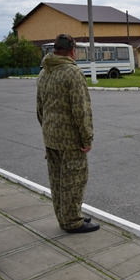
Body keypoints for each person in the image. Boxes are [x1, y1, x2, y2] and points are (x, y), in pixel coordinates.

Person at [36, 34, 99, 233]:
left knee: (56, 180)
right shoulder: (72, 73)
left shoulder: (44, 72)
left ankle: (65, 216)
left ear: (55, 50)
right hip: (70, 139)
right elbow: (81, 110)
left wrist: (47, 128)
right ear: (72, 50)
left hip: (50, 136)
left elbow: (40, 108)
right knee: (74, 179)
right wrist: (87, 138)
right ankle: (72, 221)